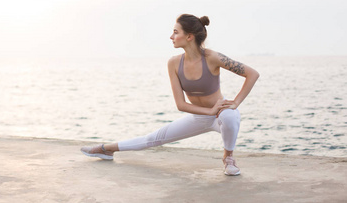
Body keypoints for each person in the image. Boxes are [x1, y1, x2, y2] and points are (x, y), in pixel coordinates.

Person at [81, 14, 260, 176]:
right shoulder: (174, 63)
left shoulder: (212, 57)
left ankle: (228, 158)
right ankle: (106, 149)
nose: (171, 37)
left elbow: (252, 74)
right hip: (200, 116)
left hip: (220, 115)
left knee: (230, 115)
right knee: (152, 139)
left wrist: (235, 103)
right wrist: (209, 111)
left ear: (189, 36)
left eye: (175, 32)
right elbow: (180, 105)